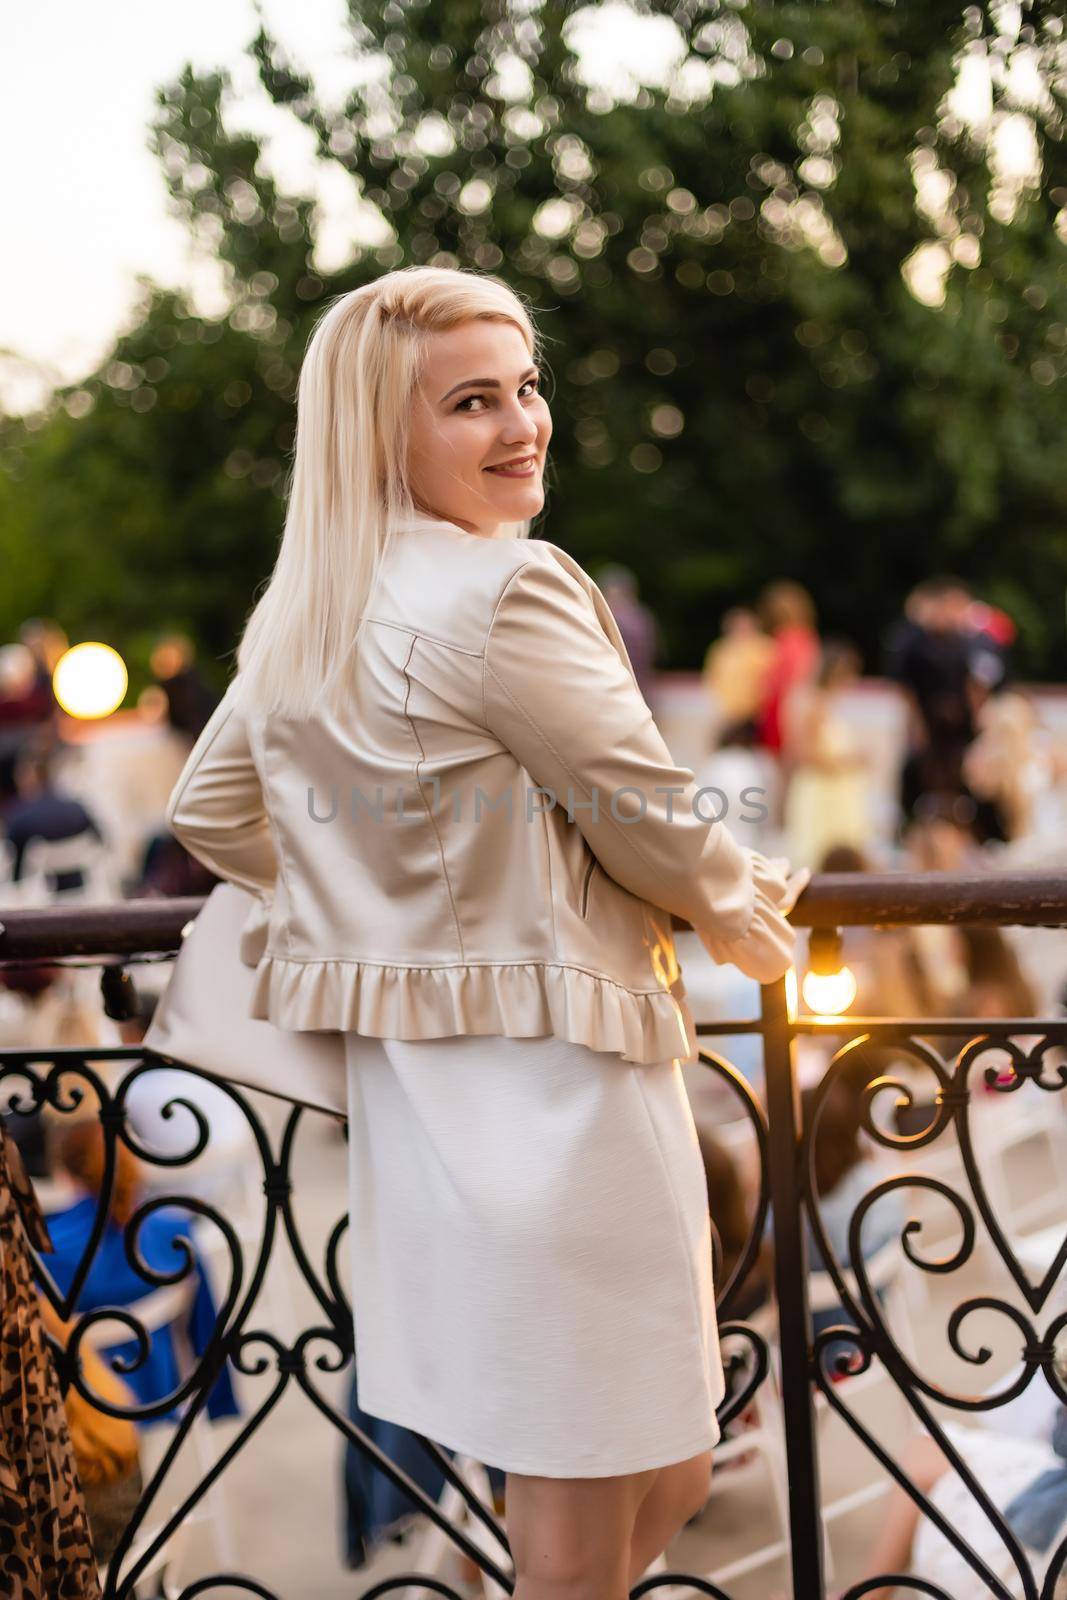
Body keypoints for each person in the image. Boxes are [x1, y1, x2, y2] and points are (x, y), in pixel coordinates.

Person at [163, 265, 808, 1598]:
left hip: (427, 1102)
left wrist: (375, 906)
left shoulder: (312, 607)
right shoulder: (505, 587)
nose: (523, 425)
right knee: (598, 1496)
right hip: (564, 1093)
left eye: (525, 388)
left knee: (628, 1470)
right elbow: (641, 811)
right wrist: (743, 911)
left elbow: (210, 809)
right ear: (379, 432)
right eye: (471, 402)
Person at [781, 639, 869, 870]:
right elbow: (803, 753)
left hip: (836, 792)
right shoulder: (812, 703)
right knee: (818, 854)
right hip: (821, 792)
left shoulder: (824, 704)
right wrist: (847, 761)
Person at [2, 741, 104, 893]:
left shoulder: (20, 815)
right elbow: (101, 841)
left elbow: (13, 861)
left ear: (28, 777)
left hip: (41, 896)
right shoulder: (77, 807)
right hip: (86, 892)